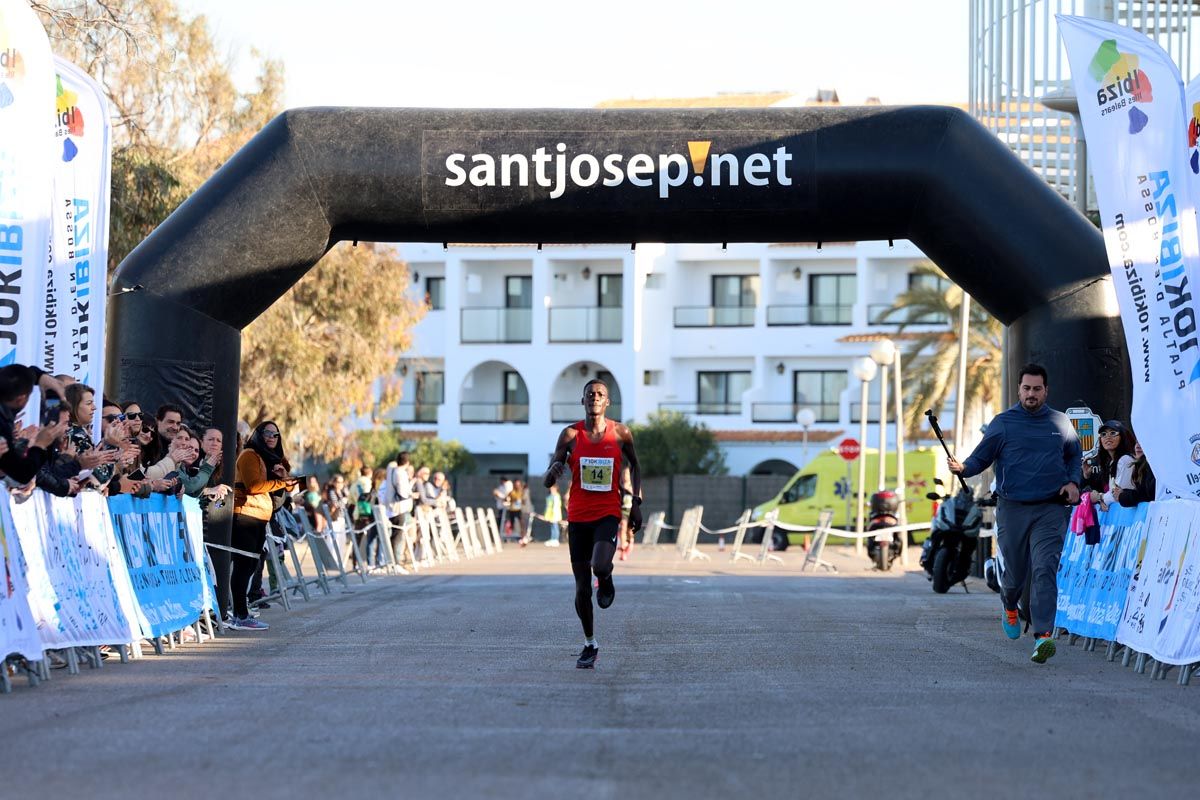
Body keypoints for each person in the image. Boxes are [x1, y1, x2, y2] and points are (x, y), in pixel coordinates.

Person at [947, 364, 1080, 665]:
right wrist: (964, 468)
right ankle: (1009, 605)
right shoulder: (1003, 423)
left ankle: (1043, 637)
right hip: (1013, 508)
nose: (1031, 394)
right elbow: (981, 456)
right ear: (1019, 389)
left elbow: (1074, 456)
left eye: (1037, 389)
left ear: (1046, 390)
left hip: (1051, 508)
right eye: (1026, 388)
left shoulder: (1060, 422)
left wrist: (1073, 482)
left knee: (1045, 569)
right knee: (1015, 576)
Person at [544, 378, 642, 669]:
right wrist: (554, 471)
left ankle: (607, 578)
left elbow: (635, 465)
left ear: (607, 402)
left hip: (607, 513)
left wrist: (635, 503)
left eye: (600, 394)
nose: (595, 398)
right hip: (577, 516)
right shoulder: (570, 435)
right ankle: (589, 643)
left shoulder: (621, 433)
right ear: (583, 400)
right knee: (581, 589)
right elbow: (548, 479)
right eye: (590, 394)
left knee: (599, 565)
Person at [231, 421, 298, 630]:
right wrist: (281, 483)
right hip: (245, 515)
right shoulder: (250, 454)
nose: (271, 437)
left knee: (251, 566)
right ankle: (240, 615)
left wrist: (282, 476)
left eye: (275, 434)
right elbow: (254, 486)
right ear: (257, 434)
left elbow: (272, 485)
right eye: (266, 433)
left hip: (259, 516)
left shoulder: (265, 458)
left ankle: (242, 611)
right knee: (244, 566)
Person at [1085, 420, 1136, 511]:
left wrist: (1100, 497)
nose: (1108, 437)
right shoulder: (1112, 462)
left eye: (1113, 433)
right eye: (1103, 434)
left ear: (1122, 437)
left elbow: (1117, 495)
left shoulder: (1125, 460)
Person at [1117, 441, 1156, 507]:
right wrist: (1123, 492)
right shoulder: (1140, 465)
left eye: (1142, 442)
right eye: (1136, 442)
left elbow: (1146, 495)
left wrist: (1122, 496)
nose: (1137, 446)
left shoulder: (1151, 466)